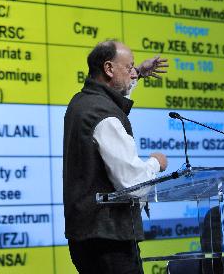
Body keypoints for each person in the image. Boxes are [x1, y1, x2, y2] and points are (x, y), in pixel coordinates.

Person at [63, 40, 169, 274]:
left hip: (87, 238)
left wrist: (139, 73)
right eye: (129, 67)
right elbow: (133, 185)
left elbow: (115, 91)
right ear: (109, 69)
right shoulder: (104, 115)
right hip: (110, 241)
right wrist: (156, 163)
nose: (133, 72)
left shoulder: (81, 102)